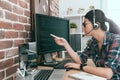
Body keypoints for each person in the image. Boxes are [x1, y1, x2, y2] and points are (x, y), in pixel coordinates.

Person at [50, 9, 120, 80]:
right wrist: (65, 44)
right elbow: (80, 60)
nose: (83, 27)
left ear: (96, 25)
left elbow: (108, 73)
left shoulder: (116, 41)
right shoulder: (94, 42)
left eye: (85, 24)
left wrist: (81, 67)